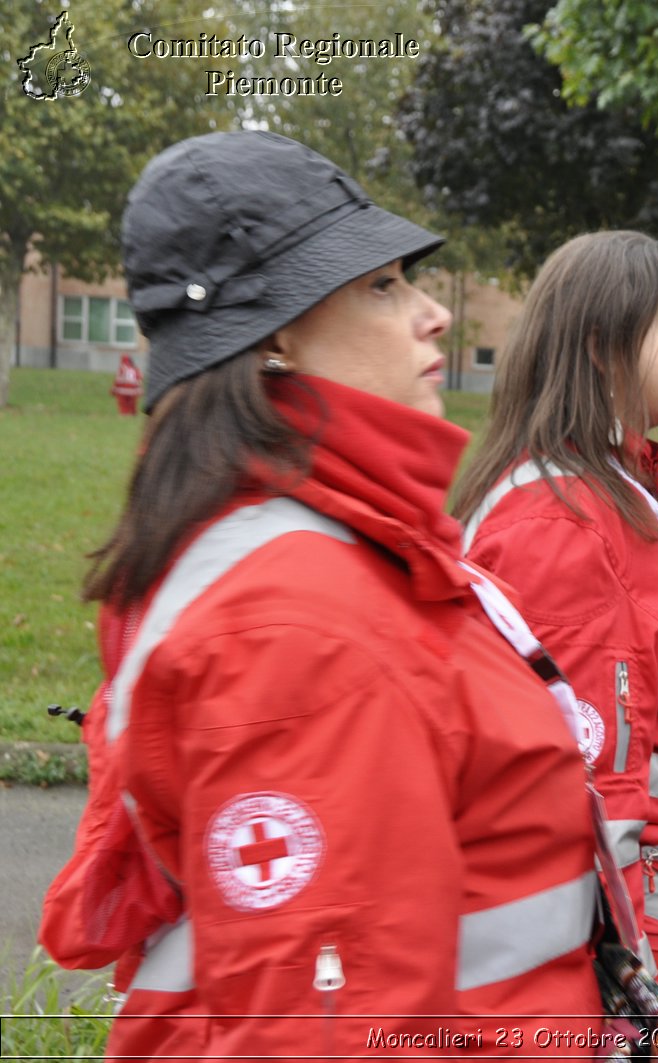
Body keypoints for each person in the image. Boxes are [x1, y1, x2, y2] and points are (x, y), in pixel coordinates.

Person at [38, 131, 607, 1059]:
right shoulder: (298, 620)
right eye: (382, 285)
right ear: (275, 340)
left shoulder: (344, 548)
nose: (432, 315)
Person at [453, 231, 658, 1013]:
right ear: (600, 343)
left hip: (655, 913)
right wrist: (626, 982)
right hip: (628, 939)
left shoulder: (618, 484)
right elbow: (587, 778)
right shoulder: (562, 522)